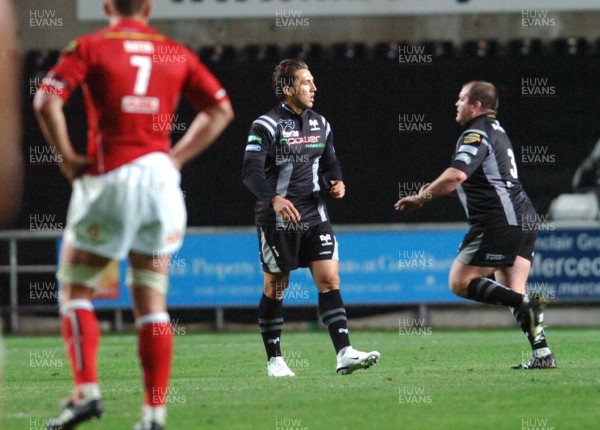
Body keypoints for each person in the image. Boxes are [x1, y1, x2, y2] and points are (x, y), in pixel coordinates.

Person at [33, 1, 234, 428]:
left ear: (107, 6)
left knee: (76, 292)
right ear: (148, 7)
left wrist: (67, 158)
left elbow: (44, 101)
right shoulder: (174, 51)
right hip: (162, 186)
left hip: (111, 180)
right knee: (152, 302)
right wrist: (175, 159)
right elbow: (221, 110)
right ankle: (154, 413)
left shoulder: (90, 46)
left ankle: (86, 392)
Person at [395, 81, 556, 370]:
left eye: (461, 99)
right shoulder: (498, 130)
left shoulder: (476, 133)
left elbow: (457, 175)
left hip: (498, 221)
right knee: (512, 289)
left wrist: (422, 197)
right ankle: (542, 354)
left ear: (476, 105)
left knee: (459, 282)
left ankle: (526, 305)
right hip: (525, 217)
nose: (456, 104)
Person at [242, 58, 379, 377]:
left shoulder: (321, 123)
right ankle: (275, 359)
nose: (314, 88)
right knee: (277, 286)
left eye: (313, 82)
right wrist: (274, 199)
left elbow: (331, 163)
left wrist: (337, 182)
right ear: (287, 89)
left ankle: (344, 352)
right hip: (278, 219)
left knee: (329, 279)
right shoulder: (265, 125)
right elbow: (250, 173)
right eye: (306, 83)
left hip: (315, 215)